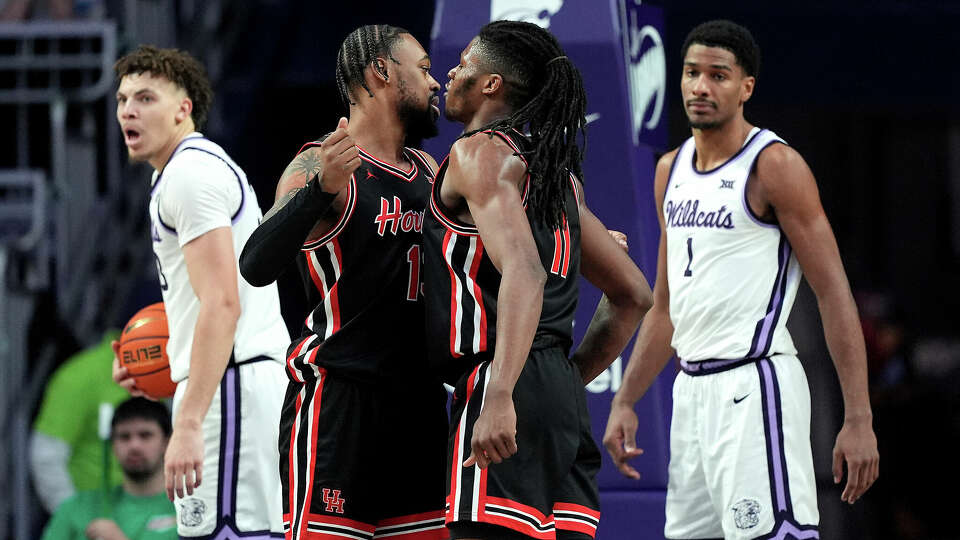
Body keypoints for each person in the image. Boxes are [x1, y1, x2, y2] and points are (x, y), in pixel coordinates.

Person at [602, 20, 880, 539]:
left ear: (746, 87)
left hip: (755, 387)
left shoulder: (775, 166)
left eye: (718, 75)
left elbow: (833, 292)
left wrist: (858, 417)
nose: (701, 87)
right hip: (691, 395)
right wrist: (626, 400)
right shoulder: (670, 169)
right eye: (691, 73)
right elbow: (666, 307)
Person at [423, 20, 653, 540]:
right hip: (560, 395)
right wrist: (567, 380)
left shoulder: (477, 152)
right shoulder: (556, 174)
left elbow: (524, 271)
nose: (450, 73)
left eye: (462, 63)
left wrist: (502, 392)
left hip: (501, 377)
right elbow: (633, 295)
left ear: (490, 84)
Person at [238, 25, 449, 540]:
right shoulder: (320, 164)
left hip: (419, 406)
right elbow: (255, 264)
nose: (436, 83)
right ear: (381, 72)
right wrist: (317, 191)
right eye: (422, 68)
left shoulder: (430, 169)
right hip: (340, 400)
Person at [111, 45, 289, 538]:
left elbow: (223, 303)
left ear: (182, 108)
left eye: (146, 98)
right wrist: (165, 357)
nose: (128, 109)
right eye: (123, 98)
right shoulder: (183, 172)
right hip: (230, 386)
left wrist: (186, 423)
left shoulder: (189, 175)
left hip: (232, 391)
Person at [41, 397, 177, 540]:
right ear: (112, 445)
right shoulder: (77, 508)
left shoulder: (187, 509)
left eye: (145, 435)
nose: (134, 446)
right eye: (124, 437)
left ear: (167, 443)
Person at [31, 330, 129, 514]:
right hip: (96, 512)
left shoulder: (177, 368)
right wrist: (76, 519)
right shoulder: (81, 375)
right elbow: (47, 455)